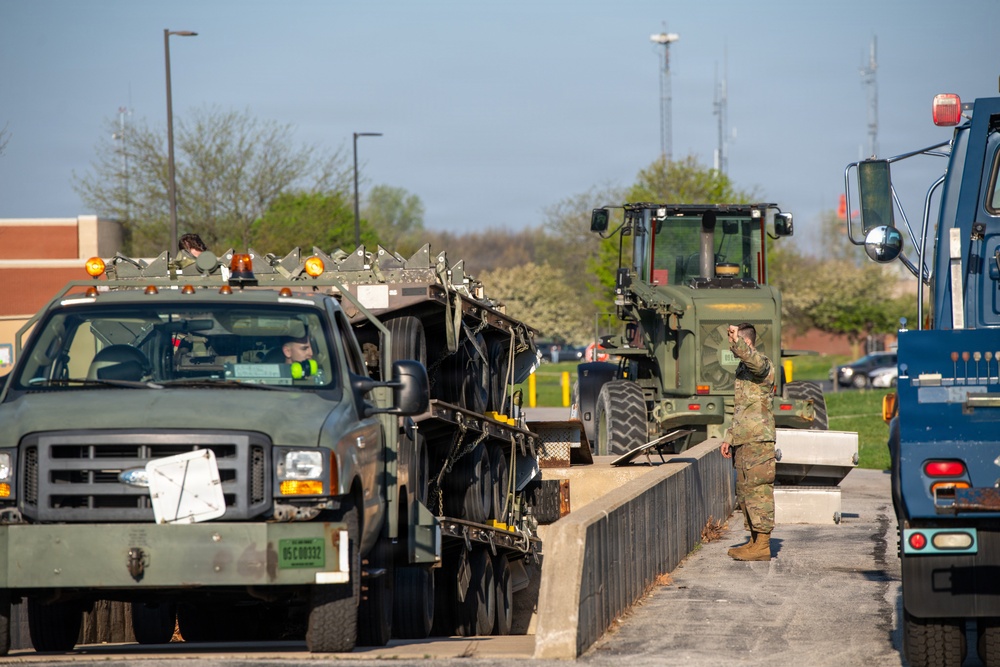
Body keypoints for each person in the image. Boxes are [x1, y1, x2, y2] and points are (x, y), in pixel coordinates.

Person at [720, 322, 776, 562]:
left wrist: (738, 343)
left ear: (747, 342)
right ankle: (754, 541)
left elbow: (756, 363)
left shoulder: (762, 364)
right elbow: (742, 408)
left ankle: (763, 545)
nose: (732, 347)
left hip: (759, 440)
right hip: (745, 440)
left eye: (735, 342)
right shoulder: (744, 369)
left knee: (759, 491)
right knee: (744, 492)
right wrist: (730, 437)